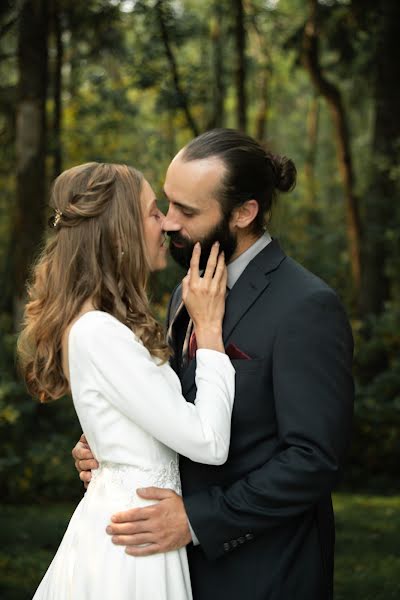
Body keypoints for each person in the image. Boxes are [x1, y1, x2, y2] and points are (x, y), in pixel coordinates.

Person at [74, 129, 354, 600]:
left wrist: (197, 520)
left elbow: (314, 459)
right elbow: (179, 406)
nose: (167, 223)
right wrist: (113, 446)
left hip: (263, 573)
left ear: (244, 213)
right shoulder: (186, 290)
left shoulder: (306, 306)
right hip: (175, 571)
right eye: (167, 204)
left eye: (187, 211)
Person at [17, 161, 236, 600]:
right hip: (132, 543)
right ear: (120, 235)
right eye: (154, 213)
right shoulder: (99, 331)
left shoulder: (101, 324)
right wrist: (210, 334)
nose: (167, 224)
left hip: (139, 526)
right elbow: (209, 442)